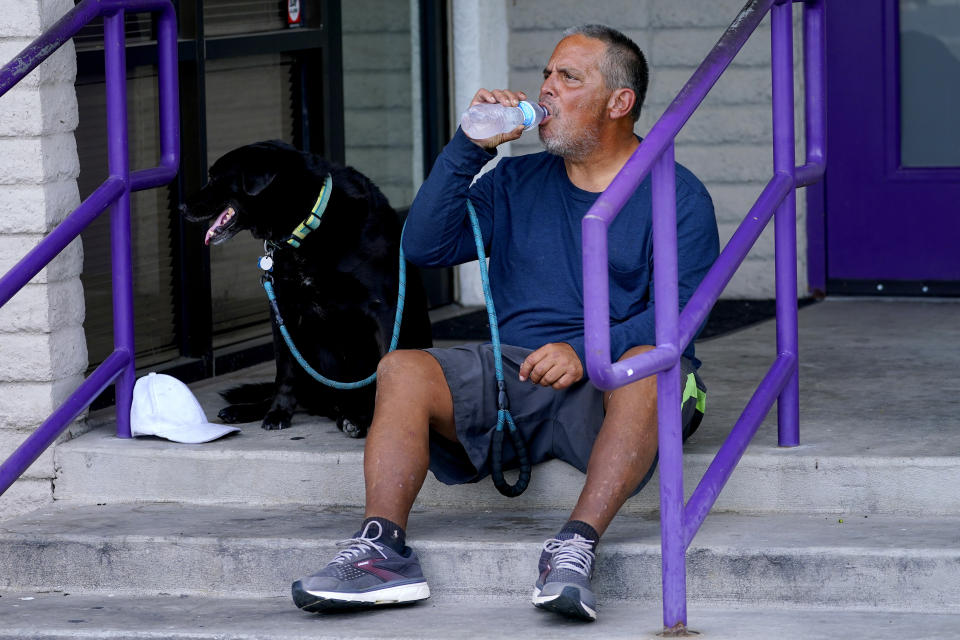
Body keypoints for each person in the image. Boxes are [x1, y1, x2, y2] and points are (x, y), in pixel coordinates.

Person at [291, 24, 719, 622]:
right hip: (517, 371)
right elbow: (423, 244)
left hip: (615, 378)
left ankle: (575, 546)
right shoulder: (515, 180)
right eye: (547, 73)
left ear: (619, 103)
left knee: (651, 368)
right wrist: (469, 146)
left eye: (569, 78)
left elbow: (682, 317)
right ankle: (381, 551)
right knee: (402, 369)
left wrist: (584, 348)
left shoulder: (677, 195)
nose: (546, 89)